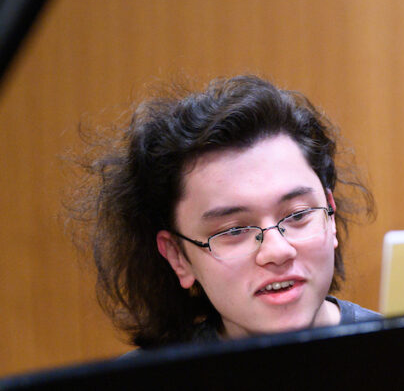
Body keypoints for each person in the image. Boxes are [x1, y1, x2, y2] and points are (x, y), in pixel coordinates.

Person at [68, 75, 378, 349]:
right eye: (233, 230)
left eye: (297, 215)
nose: (277, 251)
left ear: (330, 215)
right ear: (178, 256)